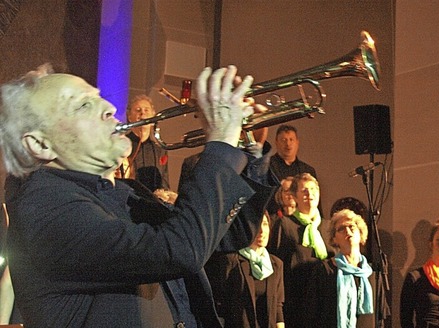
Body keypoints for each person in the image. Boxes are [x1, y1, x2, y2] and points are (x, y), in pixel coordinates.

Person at [0, 64, 277, 327]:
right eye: (84, 105)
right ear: (40, 143)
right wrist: (220, 142)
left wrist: (245, 143)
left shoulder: (127, 191)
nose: (110, 108)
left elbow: (229, 234)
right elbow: (180, 250)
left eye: (100, 98)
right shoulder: (44, 208)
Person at [268, 172, 332, 328]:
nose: (309, 194)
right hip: (296, 303)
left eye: (313, 189)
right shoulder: (284, 225)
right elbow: (275, 266)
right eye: (303, 190)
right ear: (294, 197)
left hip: (325, 302)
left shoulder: (329, 227)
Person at [206, 212, 285, 328]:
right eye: (257, 226)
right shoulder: (232, 261)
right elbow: (220, 303)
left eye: (265, 224)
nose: (262, 231)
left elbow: (278, 305)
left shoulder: (276, 264)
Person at [307, 209, 375, 328]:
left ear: (360, 233)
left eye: (351, 226)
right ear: (334, 239)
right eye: (341, 229)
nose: (347, 231)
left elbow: (380, 316)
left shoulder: (371, 273)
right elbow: (312, 314)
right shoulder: (324, 270)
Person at [123, 94, 170, 193]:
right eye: (138, 110)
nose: (142, 114)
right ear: (129, 117)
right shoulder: (122, 144)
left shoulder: (160, 149)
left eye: (146, 110)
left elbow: (164, 181)